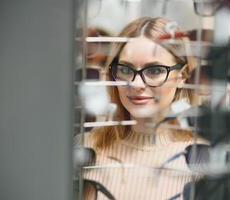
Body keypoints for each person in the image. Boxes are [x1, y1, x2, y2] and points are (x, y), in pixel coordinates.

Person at [74, 16, 209, 200]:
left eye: (154, 71)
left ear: (182, 76)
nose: (136, 84)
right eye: (126, 70)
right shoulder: (85, 148)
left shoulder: (202, 159)